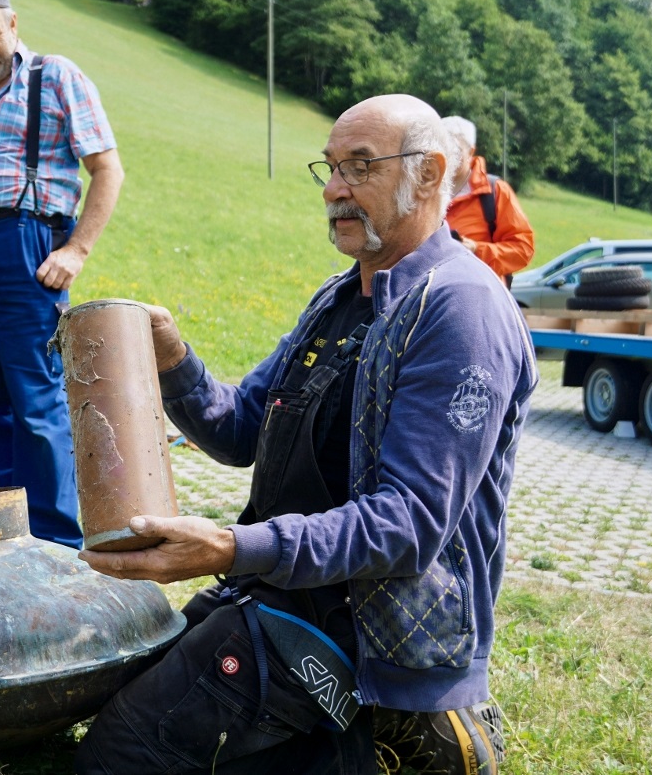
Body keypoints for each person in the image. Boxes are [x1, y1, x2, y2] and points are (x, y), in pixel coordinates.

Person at [76, 95, 538, 775]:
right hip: (276, 594)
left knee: (120, 758)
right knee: (112, 693)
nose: (333, 189)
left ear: (432, 174)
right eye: (330, 167)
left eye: (359, 167)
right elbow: (241, 432)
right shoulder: (342, 296)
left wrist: (230, 547)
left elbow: (408, 526)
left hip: (366, 644)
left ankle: (373, 745)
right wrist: (175, 361)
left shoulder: (460, 309)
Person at [0, 0, 124, 548]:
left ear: (13, 24)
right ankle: (14, 527)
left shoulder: (53, 76)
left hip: (23, 240)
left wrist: (77, 250)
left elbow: (108, 170)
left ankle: (56, 542)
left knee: (34, 394)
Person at [442, 115, 534, 288]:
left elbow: (523, 250)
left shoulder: (495, 191)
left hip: (479, 292)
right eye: (442, 149)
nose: (448, 157)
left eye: (455, 151)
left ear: (471, 152)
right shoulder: (423, 190)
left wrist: (476, 250)